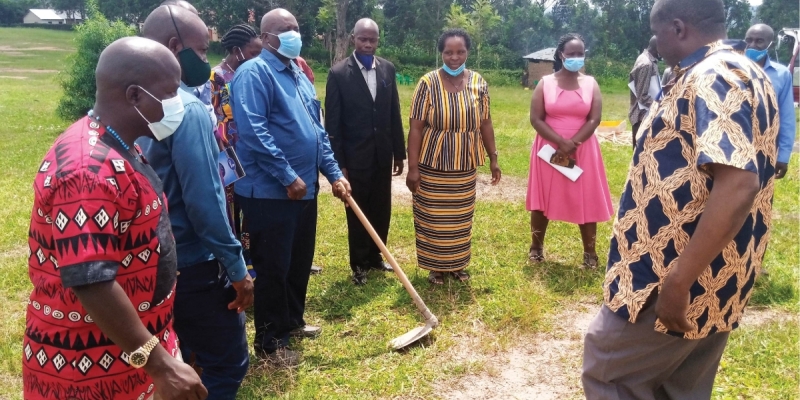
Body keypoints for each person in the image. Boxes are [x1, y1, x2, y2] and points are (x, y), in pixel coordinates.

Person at [582, 0, 779, 396]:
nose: (655, 41)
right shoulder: (747, 72)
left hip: (669, 272)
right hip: (717, 273)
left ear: (677, 28)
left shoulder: (711, 77)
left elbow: (739, 183)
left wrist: (677, 281)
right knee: (680, 385)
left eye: (657, 33)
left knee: (610, 373)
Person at [22, 37, 207, 400]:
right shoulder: (87, 171)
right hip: (88, 367)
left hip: (130, 351)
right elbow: (91, 280)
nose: (178, 102)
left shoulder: (121, 145)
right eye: (170, 92)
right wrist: (160, 365)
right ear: (135, 96)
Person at [139, 5, 253, 399]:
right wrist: (238, 268)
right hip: (194, 263)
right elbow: (205, 204)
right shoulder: (185, 109)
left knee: (178, 358)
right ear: (175, 47)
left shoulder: (124, 102)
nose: (206, 61)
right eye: (202, 51)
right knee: (226, 365)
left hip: (145, 263)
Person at [230, 8, 351, 367]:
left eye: (296, 27)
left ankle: (292, 321)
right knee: (273, 267)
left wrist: (333, 173)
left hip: (304, 191)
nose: (293, 33)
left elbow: (317, 131)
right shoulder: (254, 73)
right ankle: (270, 343)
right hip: (271, 193)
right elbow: (253, 132)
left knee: (299, 261)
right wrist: (287, 176)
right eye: (285, 29)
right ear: (266, 38)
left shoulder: (298, 73)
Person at [406, 28, 501, 285]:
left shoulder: (478, 83)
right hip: (432, 164)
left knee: (459, 219)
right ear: (441, 53)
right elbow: (415, 128)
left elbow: (486, 123)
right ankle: (435, 268)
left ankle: (457, 265)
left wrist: (493, 157)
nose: (454, 57)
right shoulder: (427, 83)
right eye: (448, 52)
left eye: (460, 52)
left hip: (465, 164)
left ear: (467, 52)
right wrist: (412, 168)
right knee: (433, 217)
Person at [325, 18, 405, 285]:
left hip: (382, 154)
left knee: (382, 208)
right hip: (354, 159)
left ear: (378, 41)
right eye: (363, 39)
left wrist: (399, 152)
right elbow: (333, 124)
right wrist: (339, 164)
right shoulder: (338, 74)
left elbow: (393, 112)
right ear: (353, 39)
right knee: (357, 211)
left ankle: (376, 256)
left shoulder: (388, 70)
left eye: (372, 40)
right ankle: (359, 263)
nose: (368, 44)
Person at [525, 33, 613, 269]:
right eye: (571, 53)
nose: (576, 57)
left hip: (582, 149)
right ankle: (536, 248)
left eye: (580, 53)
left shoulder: (591, 83)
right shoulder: (546, 82)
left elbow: (595, 119)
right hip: (549, 149)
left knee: (586, 197)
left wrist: (573, 143)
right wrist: (560, 142)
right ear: (561, 55)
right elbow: (536, 118)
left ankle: (590, 254)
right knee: (542, 199)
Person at [210, 24, 261, 254]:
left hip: (249, 149)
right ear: (236, 50)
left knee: (250, 205)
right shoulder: (217, 77)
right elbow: (211, 116)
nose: (257, 58)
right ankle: (234, 258)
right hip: (226, 152)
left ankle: (249, 253)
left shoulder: (253, 74)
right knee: (230, 206)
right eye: (253, 53)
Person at [745, 23, 796, 180]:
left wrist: (783, 156)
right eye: (749, 40)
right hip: (735, 144)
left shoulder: (781, 75)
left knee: (761, 195)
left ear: (770, 44)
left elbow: (786, 116)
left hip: (765, 148)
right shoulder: (732, 69)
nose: (752, 45)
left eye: (759, 41)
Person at [628, 36, 660, 148]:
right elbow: (642, 96)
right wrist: (662, 105)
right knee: (641, 156)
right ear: (658, 48)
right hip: (642, 117)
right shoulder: (646, 64)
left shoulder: (648, 60)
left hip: (646, 115)